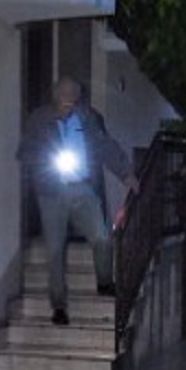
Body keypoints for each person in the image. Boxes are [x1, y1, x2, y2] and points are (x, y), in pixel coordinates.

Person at [18, 77, 138, 325]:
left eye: (72, 98)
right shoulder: (39, 119)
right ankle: (59, 306)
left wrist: (126, 173)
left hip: (82, 188)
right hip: (52, 192)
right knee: (54, 250)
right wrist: (40, 166)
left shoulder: (87, 118)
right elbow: (25, 151)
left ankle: (105, 281)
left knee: (102, 237)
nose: (67, 103)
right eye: (63, 97)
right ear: (55, 95)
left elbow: (106, 146)